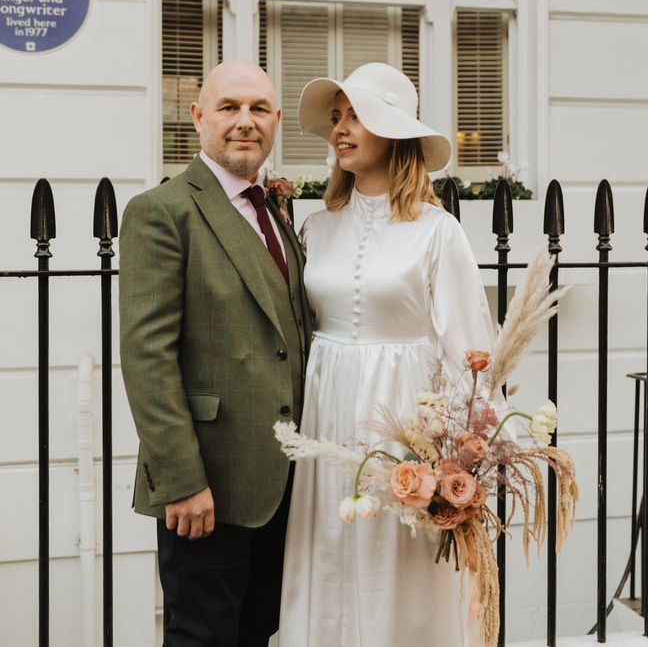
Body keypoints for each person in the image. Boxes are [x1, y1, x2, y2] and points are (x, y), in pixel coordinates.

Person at [278, 63, 502, 646]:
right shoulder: (314, 227)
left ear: (394, 132)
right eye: (337, 117)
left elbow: (468, 351)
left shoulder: (437, 230)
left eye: (358, 116)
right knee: (327, 548)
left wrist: (465, 456)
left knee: (399, 565)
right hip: (325, 417)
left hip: (404, 421)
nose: (341, 129)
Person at [119, 59, 312, 647]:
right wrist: (179, 480)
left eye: (258, 110)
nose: (244, 122)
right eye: (229, 108)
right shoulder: (163, 211)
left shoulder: (277, 209)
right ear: (198, 117)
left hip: (283, 485)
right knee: (202, 637)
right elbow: (147, 354)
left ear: (277, 121)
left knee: (258, 632)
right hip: (206, 487)